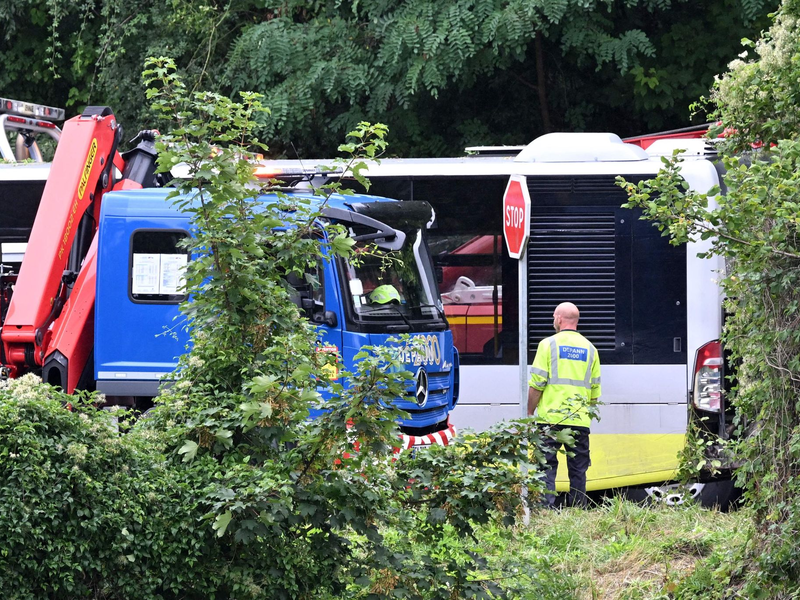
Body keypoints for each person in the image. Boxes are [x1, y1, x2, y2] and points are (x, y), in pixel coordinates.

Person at [528, 302, 601, 508]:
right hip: (579, 419)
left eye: (554, 317)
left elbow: (537, 384)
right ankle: (578, 510)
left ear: (559, 319)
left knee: (546, 466)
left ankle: (546, 510)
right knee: (578, 468)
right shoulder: (590, 349)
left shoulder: (547, 345)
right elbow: (594, 392)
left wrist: (529, 411)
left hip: (550, 420)